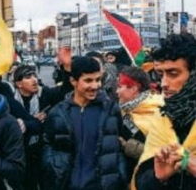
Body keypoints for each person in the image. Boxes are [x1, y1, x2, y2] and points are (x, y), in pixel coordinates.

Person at [42, 56, 127, 190]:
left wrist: (119, 176)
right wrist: (53, 168)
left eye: (98, 80)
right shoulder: (58, 113)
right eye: (88, 80)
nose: (95, 86)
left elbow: (118, 146)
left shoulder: (111, 110)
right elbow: (48, 146)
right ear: (73, 81)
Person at [134, 34, 196, 190]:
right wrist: (157, 177)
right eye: (161, 75)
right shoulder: (162, 116)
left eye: (173, 74)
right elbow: (142, 182)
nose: (164, 83)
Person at [116, 66, 164, 182]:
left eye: (119, 87)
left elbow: (164, 155)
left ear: (133, 88)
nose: (116, 91)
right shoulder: (124, 109)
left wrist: (131, 147)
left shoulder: (157, 112)